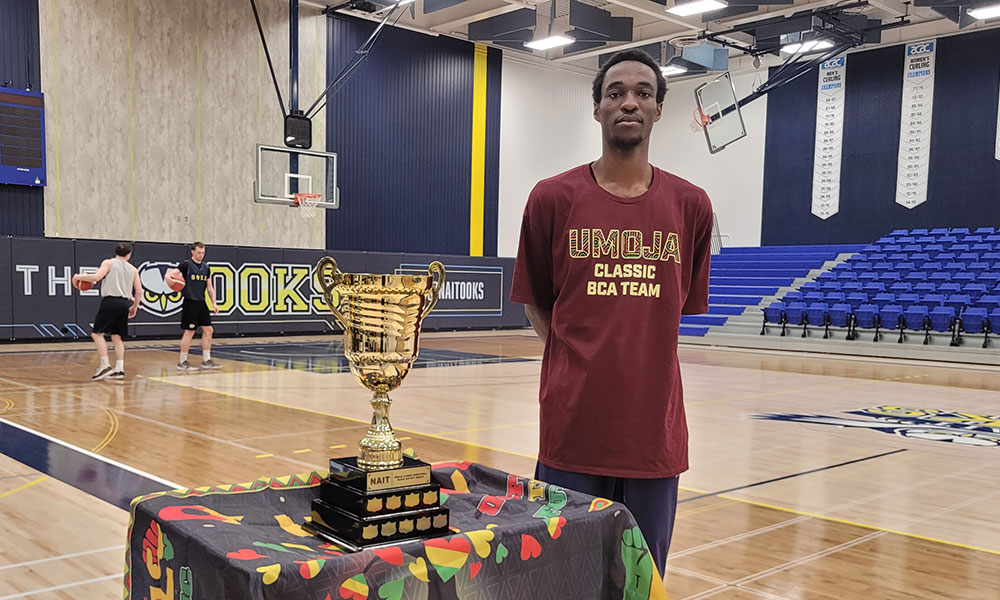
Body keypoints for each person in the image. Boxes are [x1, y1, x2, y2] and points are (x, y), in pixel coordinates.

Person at [509, 49, 714, 576]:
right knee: (560, 579)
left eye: (643, 93)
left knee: (641, 583)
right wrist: (580, 359)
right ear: (596, 107)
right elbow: (538, 301)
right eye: (615, 92)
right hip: (571, 433)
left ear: (659, 109)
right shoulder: (552, 198)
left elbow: (678, 307)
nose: (629, 102)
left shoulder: (691, 205)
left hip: (652, 439)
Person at [73, 242, 143, 381]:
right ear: (129, 255)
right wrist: (134, 306)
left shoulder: (109, 263)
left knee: (97, 334)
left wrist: (78, 277)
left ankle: (105, 365)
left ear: (116, 252)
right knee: (117, 336)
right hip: (124, 303)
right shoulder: (133, 269)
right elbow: (139, 291)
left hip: (111, 301)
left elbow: (96, 278)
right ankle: (120, 369)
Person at [169, 241, 221, 370]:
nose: (201, 255)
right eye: (198, 252)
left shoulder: (206, 268)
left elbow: (209, 287)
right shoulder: (186, 265)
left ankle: (206, 359)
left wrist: (214, 302)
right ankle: (182, 361)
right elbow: (171, 274)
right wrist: (168, 278)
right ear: (192, 252)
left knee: (209, 330)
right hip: (190, 301)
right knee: (190, 331)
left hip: (201, 302)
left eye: (203, 253)